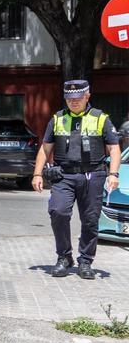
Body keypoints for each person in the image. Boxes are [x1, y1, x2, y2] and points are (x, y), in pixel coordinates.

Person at [31, 80, 121, 280]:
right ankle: (64, 257)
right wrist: (37, 174)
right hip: (64, 175)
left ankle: (86, 261)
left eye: (78, 98)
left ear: (87, 96)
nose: (73, 102)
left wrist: (113, 174)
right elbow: (46, 148)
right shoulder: (57, 119)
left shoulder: (101, 118)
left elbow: (114, 149)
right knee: (58, 211)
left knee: (90, 220)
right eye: (70, 98)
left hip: (93, 175)